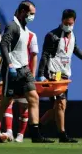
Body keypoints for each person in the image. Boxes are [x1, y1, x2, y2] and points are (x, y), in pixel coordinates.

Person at [0, 0, 54, 143]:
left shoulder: (25, 29)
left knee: (34, 98)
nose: (32, 17)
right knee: (5, 102)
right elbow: (3, 45)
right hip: (12, 70)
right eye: (31, 14)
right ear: (23, 12)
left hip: (24, 70)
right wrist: (10, 65)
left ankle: (35, 134)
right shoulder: (12, 26)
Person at [37, 9, 82, 143]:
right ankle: (62, 135)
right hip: (53, 74)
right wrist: (40, 74)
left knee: (58, 107)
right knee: (61, 104)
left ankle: (36, 127)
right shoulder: (52, 35)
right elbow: (45, 55)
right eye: (66, 23)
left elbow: (75, 49)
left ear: (74, 22)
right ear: (61, 21)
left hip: (64, 75)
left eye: (71, 23)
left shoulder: (72, 35)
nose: (68, 25)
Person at [0, 29, 39, 143]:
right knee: (8, 101)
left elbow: (34, 56)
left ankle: (20, 135)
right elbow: (2, 52)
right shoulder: (7, 34)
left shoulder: (31, 35)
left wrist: (33, 74)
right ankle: (9, 131)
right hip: (10, 71)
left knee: (25, 105)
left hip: (25, 74)